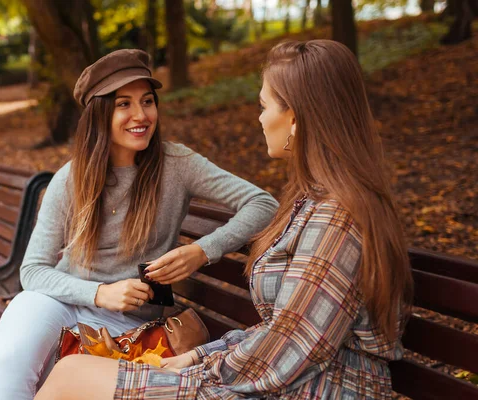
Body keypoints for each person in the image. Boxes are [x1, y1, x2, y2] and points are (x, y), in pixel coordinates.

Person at [34, 40, 414, 400]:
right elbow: (282, 333)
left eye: (264, 106)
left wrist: (200, 367)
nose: (260, 119)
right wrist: (197, 356)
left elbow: (288, 350)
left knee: (72, 377)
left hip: (313, 388)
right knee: (72, 372)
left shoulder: (338, 218)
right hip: (286, 378)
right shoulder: (315, 201)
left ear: (294, 119)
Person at [0, 49, 278, 399]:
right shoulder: (72, 179)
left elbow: (263, 203)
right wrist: (100, 293)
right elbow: (33, 271)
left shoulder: (177, 164)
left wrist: (200, 251)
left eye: (147, 101)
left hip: (132, 324)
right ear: (100, 114)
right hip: (62, 304)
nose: (141, 115)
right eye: (123, 104)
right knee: (11, 358)